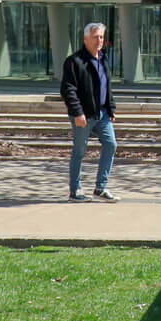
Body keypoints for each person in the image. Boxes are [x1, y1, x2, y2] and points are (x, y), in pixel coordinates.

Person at [60, 21, 118, 202]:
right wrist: (77, 112)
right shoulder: (75, 61)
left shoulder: (104, 59)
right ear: (85, 39)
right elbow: (68, 90)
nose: (99, 40)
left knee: (111, 145)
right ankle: (75, 191)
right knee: (79, 151)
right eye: (95, 37)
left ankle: (100, 188)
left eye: (101, 37)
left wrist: (111, 108)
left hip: (102, 114)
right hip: (83, 115)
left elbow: (107, 87)